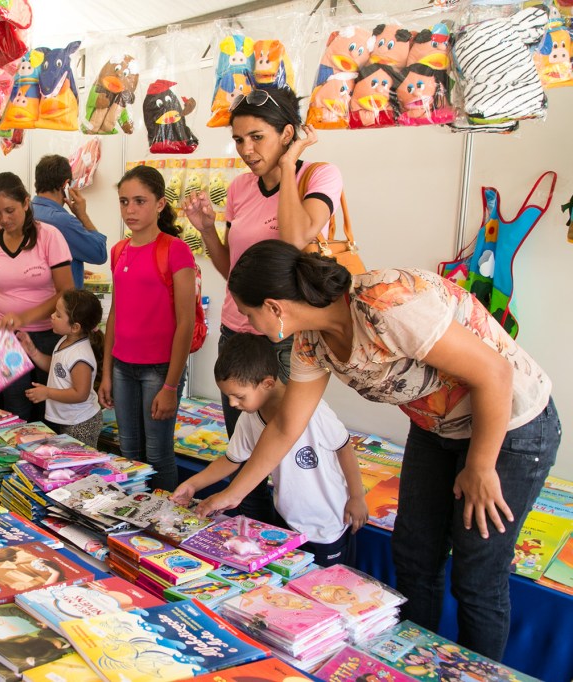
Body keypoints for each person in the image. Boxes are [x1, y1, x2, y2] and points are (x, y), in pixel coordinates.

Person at [200, 239, 559, 660]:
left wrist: (480, 465)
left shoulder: (388, 304)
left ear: (275, 307)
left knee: (477, 573)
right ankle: (416, 662)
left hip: (510, 424)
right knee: (412, 555)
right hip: (436, 427)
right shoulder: (310, 341)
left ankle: (478, 671)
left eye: (248, 313)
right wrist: (234, 492)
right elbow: (284, 427)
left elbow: (495, 374)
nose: (247, 323)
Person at [183, 85, 344, 524]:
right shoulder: (238, 188)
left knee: (288, 444)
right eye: (238, 139)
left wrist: (290, 164)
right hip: (237, 330)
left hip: (286, 337)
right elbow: (236, 274)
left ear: (288, 133)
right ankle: (244, 532)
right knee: (241, 438)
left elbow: (294, 240)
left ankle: (286, 535)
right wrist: (207, 230)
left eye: (257, 137)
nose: (246, 149)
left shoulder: (319, 175)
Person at [172, 334, 368, 566]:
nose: (233, 403)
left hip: (328, 525)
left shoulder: (313, 411)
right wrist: (193, 484)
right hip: (287, 520)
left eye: (239, 396)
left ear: (267, 383)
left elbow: (344, 448)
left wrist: (356, 497)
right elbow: (231, 459)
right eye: (228, 396)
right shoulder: (250, 418)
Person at [98, 165, 194, 492]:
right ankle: (135, 522)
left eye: (139, 201)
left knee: (157, 454)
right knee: (128, 452)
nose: (130, 210)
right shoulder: (118, 251)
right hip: (123, 367)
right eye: (124, 202)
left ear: (159, 204)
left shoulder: (175, 250)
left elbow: (186, 323)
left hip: (160, 369)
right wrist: (107, 372)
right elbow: (115, 316)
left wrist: (170, 386)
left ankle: (166, 523)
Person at [0, 172, 75, 422]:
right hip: (3, 341)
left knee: (47, 415)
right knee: (11, 414)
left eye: (10, 210)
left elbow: (67, 291)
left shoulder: (49, 236)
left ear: (25, 202)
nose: (4, 219)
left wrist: (23, 318)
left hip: (48, 337)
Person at [18, 288, 104, 447]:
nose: (52, 316)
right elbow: (57, 368)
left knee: (80, 464)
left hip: (81, 422)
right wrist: (32, 351)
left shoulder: (80, 356)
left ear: (75, 327)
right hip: (70, 420)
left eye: (58, 315)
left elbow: (80, 394)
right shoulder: (66, 340)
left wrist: (47, 392)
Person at [31, 154, 107, 289]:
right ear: (65, 185)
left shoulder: (26, 213)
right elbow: (99, 254)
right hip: (60, 305)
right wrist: (82, 215)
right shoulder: (63, 221)